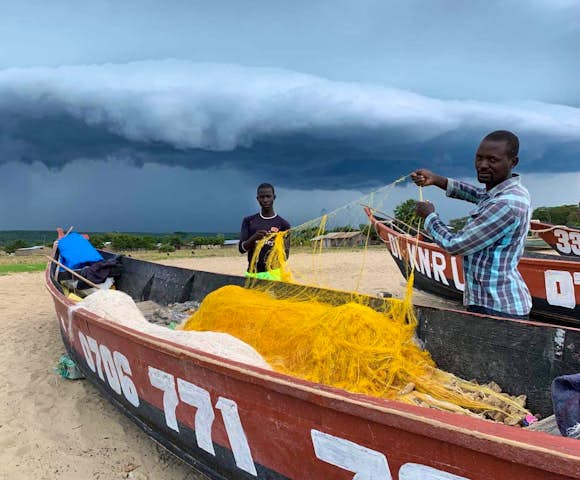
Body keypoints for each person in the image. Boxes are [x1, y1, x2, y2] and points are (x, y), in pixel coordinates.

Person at [411, 130, 532, 319]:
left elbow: (455, 244)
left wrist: (429, 217)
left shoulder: (507, 203)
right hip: (488, 303)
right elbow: (478, 195)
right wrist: (436, 180)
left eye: (492, 160)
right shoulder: (503, 192)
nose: (483, 165)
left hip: (498, 307)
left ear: (512, 162)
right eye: (479, 158)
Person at [239, 183, 291, 280]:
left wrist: (277, 242)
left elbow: (285, 256)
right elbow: (241, 249)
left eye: (268, 196)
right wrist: (253, 238)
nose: (265, 200)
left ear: (274, 197)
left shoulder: (284, 225)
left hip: (274, 274)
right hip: (253, 274)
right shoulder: (248, 221)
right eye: (262, 197)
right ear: (257, 198)